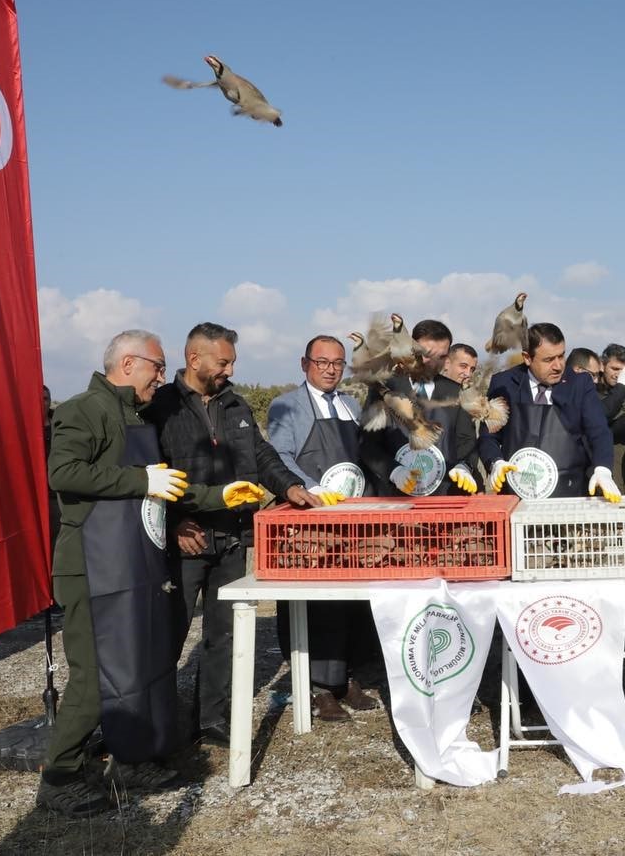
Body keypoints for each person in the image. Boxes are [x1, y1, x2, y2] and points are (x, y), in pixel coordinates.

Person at [38, 329, 264, 816]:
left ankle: (132, 758)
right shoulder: (83, 410)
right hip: (90, 568)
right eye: (157, 367)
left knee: (135, 669)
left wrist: (216, 497)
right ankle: (60, 777)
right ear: (127, 364)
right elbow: (65, 472)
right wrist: (140, 478)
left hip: (130, 563)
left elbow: (162, 488)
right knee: (95, 677)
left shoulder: (134, 414)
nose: (162, 377)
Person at [145, 323, 322, 748]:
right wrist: (174, 522)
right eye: (223, 362)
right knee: (168, 635)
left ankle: (213, 720)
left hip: (231, 539)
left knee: (223, 635)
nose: (229, 369)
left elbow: (261, 455)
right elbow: (148, 473)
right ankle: (157, 726)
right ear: (195, 359)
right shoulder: (160, 409)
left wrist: (289, 487)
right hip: (184, 541)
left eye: (231, 362)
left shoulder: (235, 404)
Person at [267, 335, 383, 722]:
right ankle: (320, 688)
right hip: (313, 521)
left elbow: (365, 454)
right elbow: (279, 456)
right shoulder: (287, 405)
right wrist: (311, 489)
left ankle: (347, 677)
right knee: (319, 604)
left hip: (352, 521)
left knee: (354, 603)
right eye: (322, 362)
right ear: (305, 365)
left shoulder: (350, 405)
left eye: (337, 363)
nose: (331, 369)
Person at [479, 323, 621, 501]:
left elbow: (598, 430)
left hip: (570, 494)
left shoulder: (579, 384)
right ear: (527, 358)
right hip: (518, 496)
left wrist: (603, 469)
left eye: (561, 356)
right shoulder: (504, 384)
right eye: (548, 360)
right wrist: (496, 462)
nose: (558, 366)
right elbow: (489, 436)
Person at [360, 319, 477, 497]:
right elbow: (367, 444)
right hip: (396, 502)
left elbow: (466, 441)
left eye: (442, 356)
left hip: (444, 504)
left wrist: (465, 465)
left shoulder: (456, 392)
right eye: (427, 354)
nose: (432, 363)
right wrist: (393, 471)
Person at [596, 343, 625, 489]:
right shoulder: (590, 394)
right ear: (602, 366)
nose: (617, 375)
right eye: (614, 369)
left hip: (620, 471)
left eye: (622, 371)